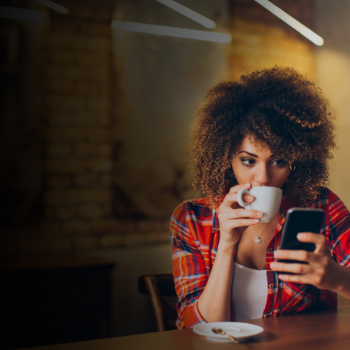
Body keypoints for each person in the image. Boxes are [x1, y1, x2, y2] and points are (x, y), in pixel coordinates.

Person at [170, 66, 350, 329]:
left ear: (297, 161)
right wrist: (227, 244)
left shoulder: (320, 205)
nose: (263, 177)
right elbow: (199, 328)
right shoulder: (192, 219)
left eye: (278, 160)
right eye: (248, 160)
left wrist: (338, 279)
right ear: (225, 156)